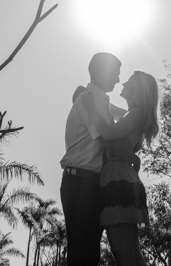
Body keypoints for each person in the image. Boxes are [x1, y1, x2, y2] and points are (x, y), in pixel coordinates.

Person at [84, 70, 160, 266]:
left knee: (124, 254)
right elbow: (111, 110)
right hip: (122, 175)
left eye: (128, 82)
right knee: (133, 255)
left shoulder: (136, 113)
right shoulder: (133, 114)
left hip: (118, 177)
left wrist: (91, 107)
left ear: (137, 90)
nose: (123, 84)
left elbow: (109, 134)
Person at [60, 52, 123, 266]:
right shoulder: (88, 99)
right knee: (83, 256)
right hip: (81, 181)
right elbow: (106, 137)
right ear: (102, 71)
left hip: (90, 182)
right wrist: (132, 156)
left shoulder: (101, 101)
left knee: (89, 255)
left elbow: (125, 115)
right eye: (115, 73)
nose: (117, 79)